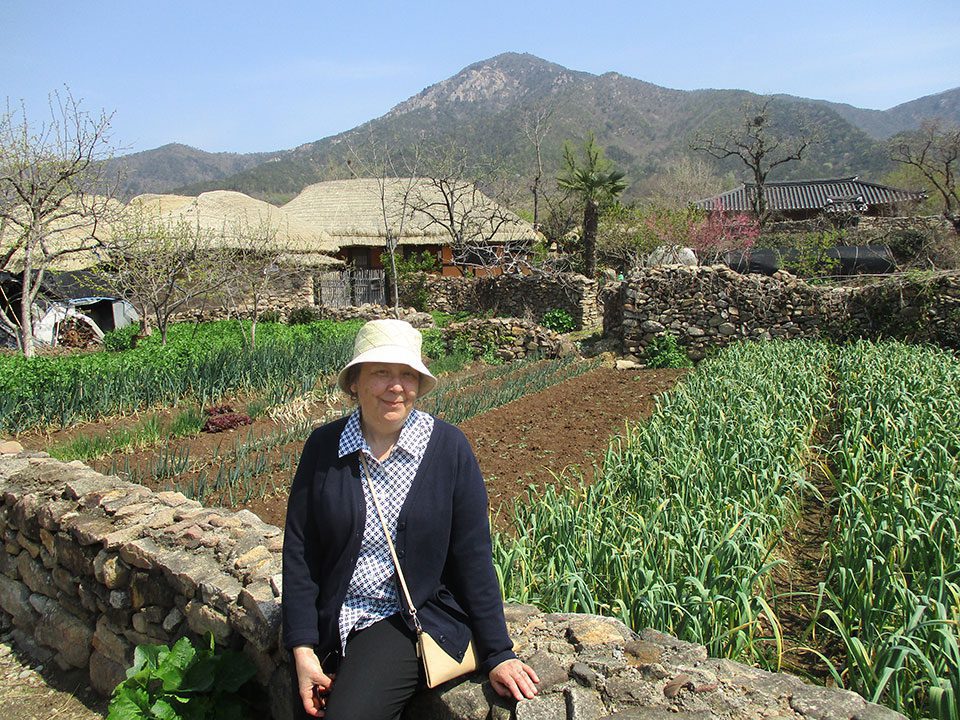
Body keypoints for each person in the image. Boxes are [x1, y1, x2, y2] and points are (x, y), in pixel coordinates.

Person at [282, 319, 539, 719]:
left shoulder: (448, 449)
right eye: (381, 372)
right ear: (356, 382)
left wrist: (498, 652)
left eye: (407, 374)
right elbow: (300, 551)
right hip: (332, 617)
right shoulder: (324, 447)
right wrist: (301, 648)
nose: (396, 386)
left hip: (401, 616)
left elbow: (472, 554)